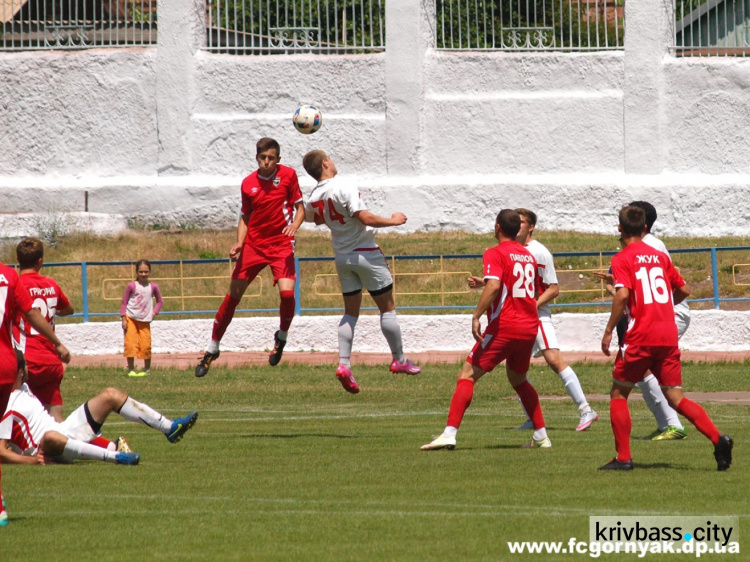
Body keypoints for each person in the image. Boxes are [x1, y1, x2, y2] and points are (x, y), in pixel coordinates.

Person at [599, 205, 732, 471]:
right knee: (676, 398)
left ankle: (623, 458)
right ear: (645, 227)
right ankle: (718, 439)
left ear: (619, 228)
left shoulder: (622, 258)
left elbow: (623, 295)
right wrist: (664, 305)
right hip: (667, 333)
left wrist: (608, 330)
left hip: (640, 335)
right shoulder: (659, 256)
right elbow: (684, 288)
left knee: (618, 393)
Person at [422, 209, 551, 451]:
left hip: (506, 325)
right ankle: (542, 436)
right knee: (518, 379)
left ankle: (449, 433)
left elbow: (494, 285)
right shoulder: (528, 255)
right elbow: (520, 288)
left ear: (498, 227)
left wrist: (476, 315)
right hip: (529, 325)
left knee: (467, 375)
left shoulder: (494, 252)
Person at [301, 150, 421, 394]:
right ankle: (399, 359)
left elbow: (315, 219)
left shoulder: (313, 196)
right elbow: (365, 217)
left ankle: (344, 365)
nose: (334, 162)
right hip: (365, 253)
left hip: (342, 257)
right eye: (331, 159)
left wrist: (338, 218)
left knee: (350, 313)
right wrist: (394, 220)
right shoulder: (343, 184)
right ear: (325, 163)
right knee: (387, 308)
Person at [469, 209, 598, 431]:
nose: (517, 226)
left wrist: (531, 306)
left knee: (554, 359)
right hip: (517, 318)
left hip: (537, 317)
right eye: (515, 222)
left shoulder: (539, 252)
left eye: (522, 222)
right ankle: (533, 418)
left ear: (531, 227)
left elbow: (554, 288)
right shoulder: (513, 251)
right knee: (517, 372)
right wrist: (484, 282)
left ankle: (586, 409)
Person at [196, 138, 305, 376]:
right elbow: (245, 216)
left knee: (287, 294)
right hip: (254, 245)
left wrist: (294, 226)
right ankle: (212, 347)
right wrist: (239, 242)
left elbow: (301, 208)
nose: (267, 162)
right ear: (257, 158)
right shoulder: (248, 184)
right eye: (263, 158)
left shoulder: (288, 175)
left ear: (278, 159)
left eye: (272, 158)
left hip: (281, 244)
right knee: (233, 296)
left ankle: (281, 337)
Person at [595, 200, 690, 441]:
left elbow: (649, 288)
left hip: (662, 315)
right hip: (661, 312)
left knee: (638, 371)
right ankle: (669, 423)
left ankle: (671, 424)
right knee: (641, 372)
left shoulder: (646, 246)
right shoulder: (651, 245)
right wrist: (614, 283)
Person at [0, 367, 198, 468]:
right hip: (49, 447)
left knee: (110, 395)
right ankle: (117, 457)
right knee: (51, 436)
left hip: (64, 431)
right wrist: (31, 461)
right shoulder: (5, 404)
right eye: (25, 367)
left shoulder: (23, 388)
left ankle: (169, 427)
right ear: (18, 372)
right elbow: (1, 451)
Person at [0, 263, 71, 527]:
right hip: (9, 364)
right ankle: (0, 509)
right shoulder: (9, 275)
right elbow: (31, 313)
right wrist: (57, 343)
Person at [13, 237, 75, 422]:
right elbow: (68, 309)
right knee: (56, 420)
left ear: (18, 261)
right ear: (40, 261)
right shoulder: (51, 284)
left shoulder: (16, 285)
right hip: (51, 360)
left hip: (27, 360)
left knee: (13, 412)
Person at [121, 259, 163, 377]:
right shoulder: (131, 286)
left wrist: (154, 313)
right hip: (131, 318)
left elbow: (160, 301)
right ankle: (130, 369)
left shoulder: (153, 286)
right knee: (130, 343)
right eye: (141, 272)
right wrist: (124, 318)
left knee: (145, 344)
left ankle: (147, 368)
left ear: (149, 272)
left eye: (146, 272)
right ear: (137, 272)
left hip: (145, 319)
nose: (143, 274)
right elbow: (124, 303)